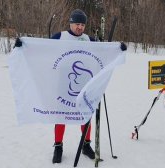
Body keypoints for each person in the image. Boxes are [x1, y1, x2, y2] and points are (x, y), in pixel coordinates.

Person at [50, 9, 126, 164]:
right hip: (64, 84)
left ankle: (86, 145)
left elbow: (105, 50)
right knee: (61, 115)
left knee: (85, 115)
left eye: (82, 25)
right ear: (71, 23)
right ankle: (58, 146)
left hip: (84, 85)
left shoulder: (89, 39)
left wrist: (119, 47)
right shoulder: (60, 37)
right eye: (77, 24)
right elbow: (42, 49)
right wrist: (23, 45)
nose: (80, 27)